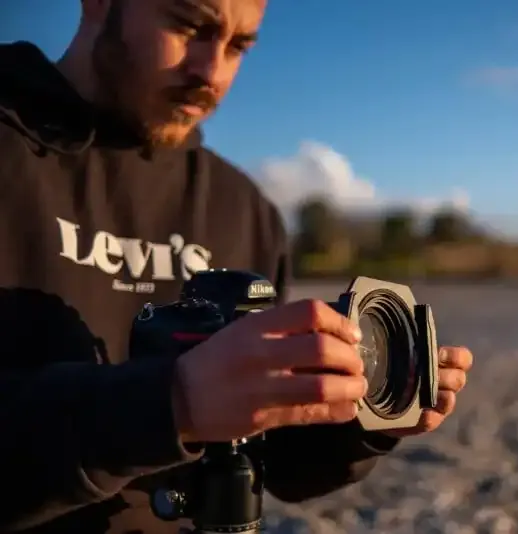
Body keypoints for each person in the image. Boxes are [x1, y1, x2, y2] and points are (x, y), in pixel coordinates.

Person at [0, 0, 474, 532]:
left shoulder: (240, 207)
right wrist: (172, 403)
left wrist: (363, 416)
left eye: (239, 46)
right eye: (189, 25)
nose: (212, 71)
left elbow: (274, 461)